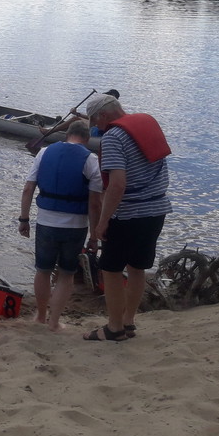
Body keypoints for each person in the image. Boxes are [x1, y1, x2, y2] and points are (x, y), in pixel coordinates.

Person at [83, 93, 172, 341]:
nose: (96, 127)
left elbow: (117, 184)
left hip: (129, 215)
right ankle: (129, 321)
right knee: (137, 267)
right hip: (157, 210)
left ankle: (114, 328)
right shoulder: (146, 123)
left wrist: (102, 222)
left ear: (102, 115)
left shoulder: (113, 137)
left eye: (95, 121)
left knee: (110, 269)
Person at [19, 121, 102, 332]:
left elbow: (28, 188)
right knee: (66, 274)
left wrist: (24, 219)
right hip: (75, 226)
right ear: (86, 138)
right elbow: (94, 203)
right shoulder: (91, 160)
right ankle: (54, 322)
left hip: (46, 222)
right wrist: (94, 235)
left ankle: (39, 316)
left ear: (67, 135)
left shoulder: (44, 153)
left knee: (43, 270)